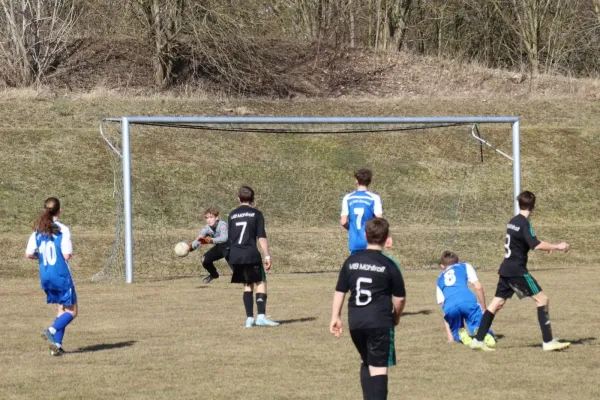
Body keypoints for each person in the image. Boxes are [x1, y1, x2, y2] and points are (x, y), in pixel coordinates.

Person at [470, 191, 570, 351]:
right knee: (542, 300)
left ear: (519, 204)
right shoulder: (524, 223)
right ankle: (548, 341)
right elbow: (535, 244)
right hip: (517, 270)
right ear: (534, 206)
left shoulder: (513, 221)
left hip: (506, 268)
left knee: (497, 303)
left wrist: (547, 246)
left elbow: (528, 240)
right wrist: (557, 246)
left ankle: (478, 340)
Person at [330, 218, 406, 400]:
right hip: (379, 322)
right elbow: (400, 298)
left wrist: (335, 316)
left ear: (365, 236)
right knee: (379, 368)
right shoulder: (389, 264)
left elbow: (340, 290)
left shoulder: (352, 261)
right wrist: (396, 316)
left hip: (356, 322)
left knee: (366, 361)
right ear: (387, 237)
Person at [25, 197, 77, 356]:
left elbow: (28, 254)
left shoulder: (38, 230)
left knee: (61, 309)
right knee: (72, 311)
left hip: (46, 275)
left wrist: (40, 257)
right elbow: (66, 255)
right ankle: (51, 330)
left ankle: (57, 346)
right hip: (60, 275)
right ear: (59, 210)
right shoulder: (62, 229)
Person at [227, 186, 279, 327]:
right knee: (260, 282)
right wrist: (267, 255)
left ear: (238, 199)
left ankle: (249, 319)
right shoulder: (256, 214)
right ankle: (261, 316)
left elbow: (230, 238)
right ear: (253, 198)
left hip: (236, 254)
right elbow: (261, 236)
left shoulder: (232, 215)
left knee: (247, 285)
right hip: (250, 253)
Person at [436, 251, 495, 347]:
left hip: (450, 306)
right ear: (457, 262)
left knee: (457, 331)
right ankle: (483, 333)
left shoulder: (439, 279)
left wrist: (450, 338)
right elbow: (478, 287)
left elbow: (444, 308)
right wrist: (484, 308)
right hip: (467, 300)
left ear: (442, 266)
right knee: (480, 325)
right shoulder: (465, 266)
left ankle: (461, 335)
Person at [340, 168, 383, 254]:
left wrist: (352, 229)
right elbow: (380, 220)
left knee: (356, 266)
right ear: (369, 181)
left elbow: (343, 222)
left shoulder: (348, 197)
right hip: (371, 242)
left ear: (356, 181)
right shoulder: (374, 198)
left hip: (354, 241)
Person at [189, 207, 231, 284]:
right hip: (220, 247)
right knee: (205, 260)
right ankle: (214, 275)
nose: (209, 220)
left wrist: (210, 240)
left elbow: (224, 238)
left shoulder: (222, 225)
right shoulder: (206, 228)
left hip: (230, 248)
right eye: (206, 218)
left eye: (211, 217)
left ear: (217, 217)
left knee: (239, 274)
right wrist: (190, 248)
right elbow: (199, 239)